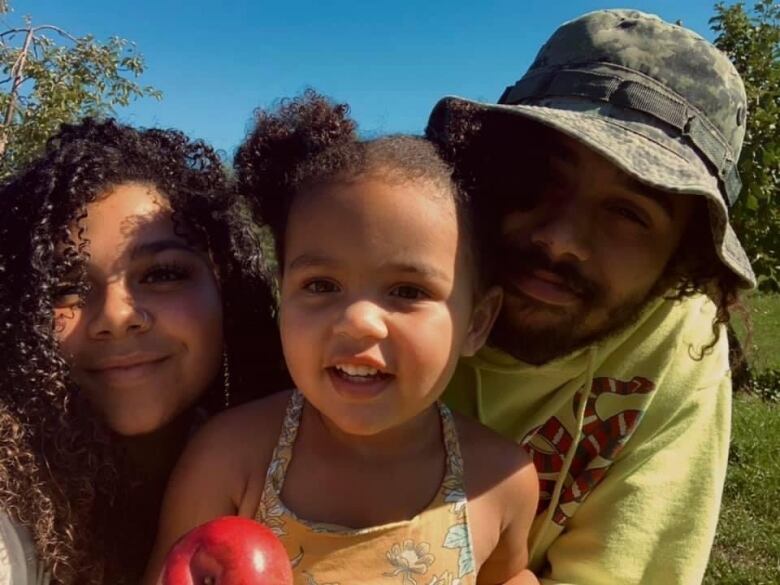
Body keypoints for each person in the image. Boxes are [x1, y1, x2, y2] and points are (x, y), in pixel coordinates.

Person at [143, 92, 539, 585]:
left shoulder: (501, 480)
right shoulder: (230, 458)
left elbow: (509, 576)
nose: (358, 321)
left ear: (477, 323)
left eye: (407, 290)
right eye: (321, 286)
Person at [424, 9, 755, 585]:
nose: (560, 239)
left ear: (683, 260)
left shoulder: (681, 337)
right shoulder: (408, 259)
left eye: (629, 213)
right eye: (544, 177)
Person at [0, 119, 288, 585]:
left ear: (226, 289)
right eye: (65, 288)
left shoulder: (301, 463)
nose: (117, 315)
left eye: (161, 275)